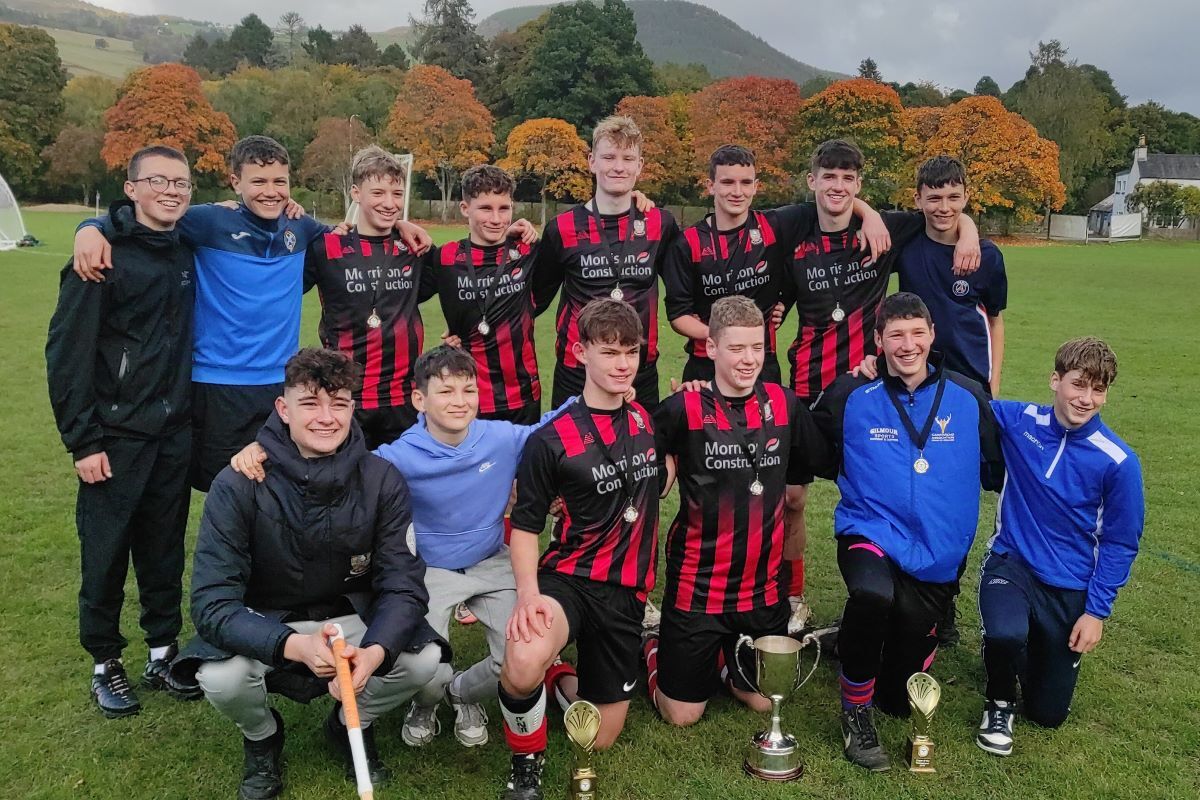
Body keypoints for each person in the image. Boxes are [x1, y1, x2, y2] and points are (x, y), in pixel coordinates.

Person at [71, 135, 433, 489]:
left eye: (280, 182)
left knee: (282, 483)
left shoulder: (301, 228)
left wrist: (400, 222)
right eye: (258, 181)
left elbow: (357, 233)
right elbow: (142, 217)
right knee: (225, 484)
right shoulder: (210, 221)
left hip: (281, 382)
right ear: (235, 182)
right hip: (217, 384)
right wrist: (90, 228)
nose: (271, 191)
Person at [177, 348, 445, 799]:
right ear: (283, 408)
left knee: (424, 660)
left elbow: (403, 584)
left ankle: (347, 724)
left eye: (338, 403)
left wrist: (376, 652)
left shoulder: (383, 479)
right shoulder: (237, 482)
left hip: (350, 618)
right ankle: (262, 737)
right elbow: (211, 602)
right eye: (310, 403)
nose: (326, 417)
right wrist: (292, 645)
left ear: (352, 408)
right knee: (219, 677)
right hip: (269, 621)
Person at [663, 143, 890, 632]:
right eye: (727, 182)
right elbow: (678, 314)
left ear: (756, 187)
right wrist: (726, 340)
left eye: (746, 183)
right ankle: (691, 594)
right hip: (706, 375)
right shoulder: (687, 244)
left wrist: (869, 214)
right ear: (710, 186)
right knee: (706, 491)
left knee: (788, 497)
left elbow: (834, 196)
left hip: (762, 376)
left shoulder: (776, 225)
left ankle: (790, 594)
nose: (737, 192)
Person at [779, 138, 982, 635]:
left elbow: (947, 214)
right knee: (791, 499)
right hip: (808, 383)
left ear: (860, 184)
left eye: (850, 179)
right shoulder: (795, 228)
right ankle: (789, 596)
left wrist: (971, 233)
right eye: (830, 176)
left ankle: (917, 598)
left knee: (904, 489)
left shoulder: (889, 227)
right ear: (813, 181)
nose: (839, 186)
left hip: (870, 389)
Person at [808, 292, 1003, 771]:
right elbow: (808, 447)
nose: (907, 344)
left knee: (898, 696)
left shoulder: (968, 396)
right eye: (895, 334)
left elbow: (1000, 470)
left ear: (933, 335)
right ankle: (854, 712)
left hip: (936, 554)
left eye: (917, 332)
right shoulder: (851, 394)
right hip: (869, 531)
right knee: (873, 595)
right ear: (878, 341)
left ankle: (855, 641)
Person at [46, 145, 200, 718]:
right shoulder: (99, 255)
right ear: (131, 189)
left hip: (172, 434)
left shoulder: (187, 247)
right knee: (106, 553)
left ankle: (163, 651)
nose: (171, 190)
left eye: (181, 182)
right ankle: (104, 662)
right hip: (113, 439)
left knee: (163, 550)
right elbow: (67, 355)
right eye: (157, 180)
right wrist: (83, 441)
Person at [497, 299, 661, 800]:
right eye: (609, 351)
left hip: (626, 594)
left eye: (630, 352)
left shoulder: (649, 421)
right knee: (523, 660)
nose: (622, 363)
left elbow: (669, 465)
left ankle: (563, 680)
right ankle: (526, 763)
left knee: (602, 739)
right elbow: (525, 526)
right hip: (568, 579)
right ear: (579, 353)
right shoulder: (550, 439)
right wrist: (527, 596)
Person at [644, 296, 827, 726]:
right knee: (683, 715)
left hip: (762, 588)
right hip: (698, 586)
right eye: (737, 348)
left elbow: (814, 466)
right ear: (710, 349)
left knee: (764, 700)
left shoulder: (785, 405)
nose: (749, 360)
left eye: (757, 348)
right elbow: (640, 461)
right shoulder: (681, 409)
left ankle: (728, 659)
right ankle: (653, 646)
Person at [976, 337, 1143, 756]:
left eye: (1098, 389)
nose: (1086, 399)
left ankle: (1031, 650)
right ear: (1055, 380)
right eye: (1078, 384)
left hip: (1069, 588)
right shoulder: (1018, 420)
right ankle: (998, 703)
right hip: (1011, 563)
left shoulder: (1119, 462)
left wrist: (1096, 612)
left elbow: (1120, 543)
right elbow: (964, 399)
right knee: (1004, 634)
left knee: (1048, 714)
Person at [537, 115, 681, 411]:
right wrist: (466, 326)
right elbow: (532, 299)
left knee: (643, 456)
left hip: (638, 371)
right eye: (609, 157)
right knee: (571, 457)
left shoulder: (660, 224)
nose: (618, 166)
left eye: (628, 158)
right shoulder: (561, 228)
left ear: (639, 166)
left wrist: (774, 302)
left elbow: (688, 286)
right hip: (577, 371)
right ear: (592, 161)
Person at [303, 145, 439, 448]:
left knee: (401, 489)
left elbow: (460, 281)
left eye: (397, 194)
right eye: (378, 193)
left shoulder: (415, 248)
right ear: (355, 192)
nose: (390, 204)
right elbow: (282, 285)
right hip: (345, 396)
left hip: (404, 398)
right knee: (344, 488)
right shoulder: (326, 248)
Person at [429, 165, 549, 425]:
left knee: (522, 465)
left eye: (503, 208)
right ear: (465, 209)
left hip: (523, 392)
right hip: (468, 394)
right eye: (485, 208)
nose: (496, 219)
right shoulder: (444, 257)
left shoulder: (529, 250)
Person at [897, 155, 1007, 397]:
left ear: (966, 197)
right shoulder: (904, 247)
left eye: (953, 197)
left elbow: (995, 321)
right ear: (918, 199)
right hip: (917, 378)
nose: (944, 208)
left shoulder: (987, 256)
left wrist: (994, 386)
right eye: (934, 199)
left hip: (971, 380)